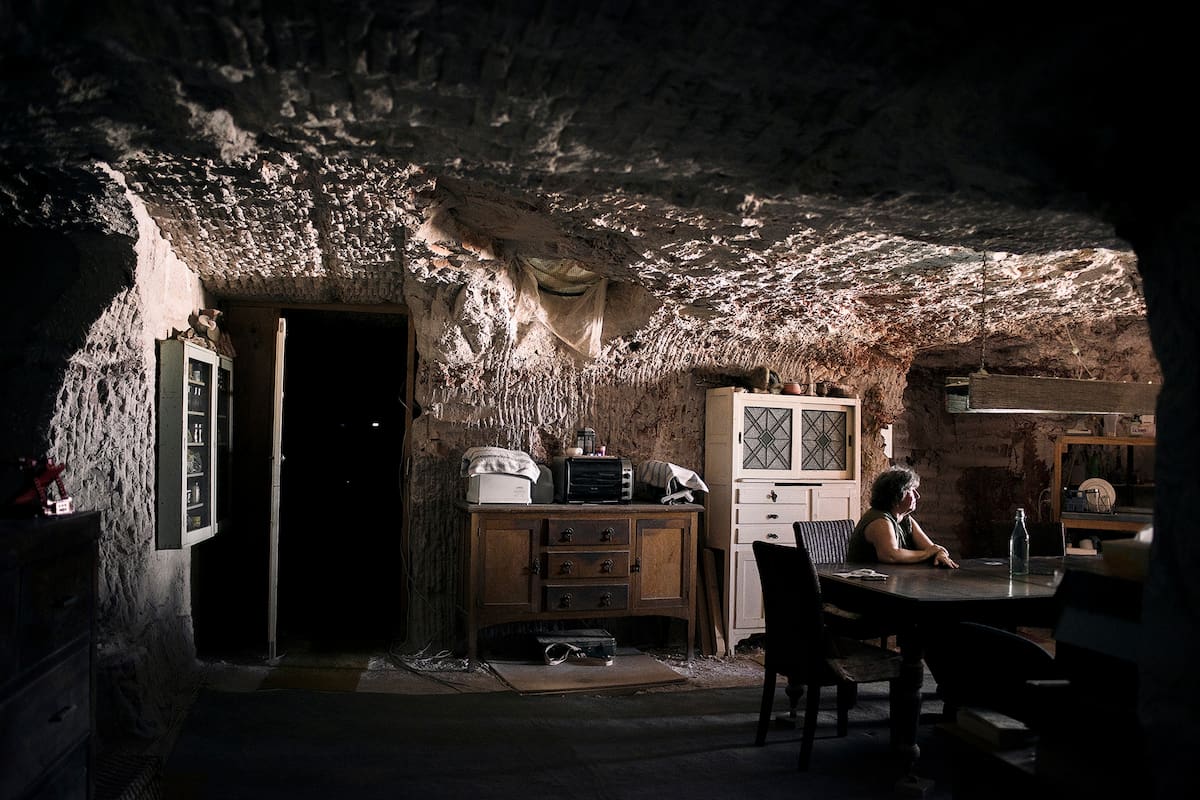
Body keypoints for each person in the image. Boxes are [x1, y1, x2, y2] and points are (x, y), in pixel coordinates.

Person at [847, 464, 959, 567]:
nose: (917, 495)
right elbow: (890, 555)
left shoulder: (905, 519)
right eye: (911, 490)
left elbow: (931, 548)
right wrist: (927, 553)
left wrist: (940, 554)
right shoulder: (879, 521)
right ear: (896, 495)